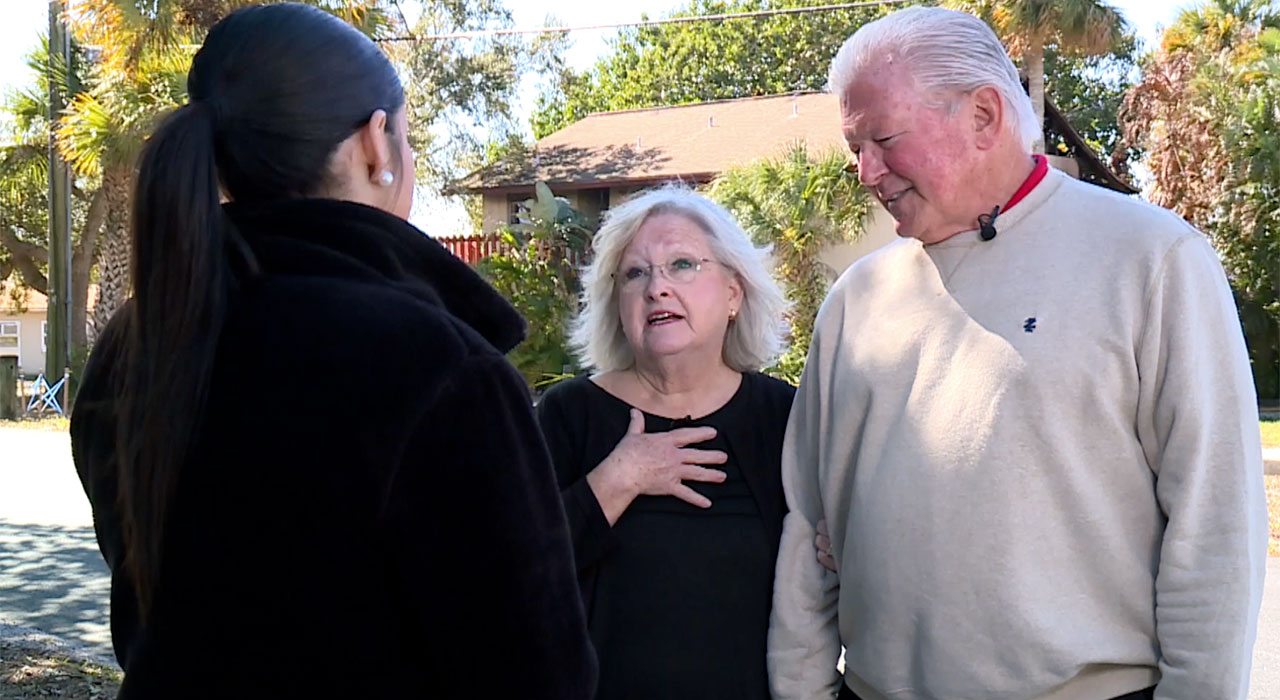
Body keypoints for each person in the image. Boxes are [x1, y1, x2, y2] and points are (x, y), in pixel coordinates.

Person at [69, 4, 595, 698]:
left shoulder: (140, 340)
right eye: (408, 140)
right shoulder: (439, 367)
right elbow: (539, 674)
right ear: (377, 143)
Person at [767, 7, 1268, 700]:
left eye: (883, 139)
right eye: (856, 148)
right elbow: (808, 526)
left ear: (982, 115)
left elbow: (1215, 529)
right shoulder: (857, 298)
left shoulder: (1151, 258)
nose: (865, 171)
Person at [535, 187, 795, 699]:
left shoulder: (783, 418)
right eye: (635, 273)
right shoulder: (569, 416)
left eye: (681, 265)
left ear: (733, 294)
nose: (657, 288)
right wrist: (618, 478)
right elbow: (514, 575)